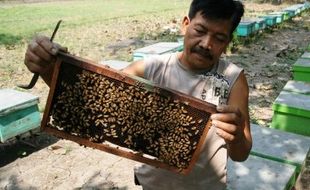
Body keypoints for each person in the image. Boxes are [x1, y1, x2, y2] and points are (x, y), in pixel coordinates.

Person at [24, 0, 252, 189]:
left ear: (228, 42)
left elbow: (241, 153)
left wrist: (237, 137)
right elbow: (95, 100)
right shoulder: (150, 69)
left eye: (219, 38)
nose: (206, 44)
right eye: (200, 31)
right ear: (185, 24)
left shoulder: (233, 79)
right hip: (152, 186)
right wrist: (49, 69)